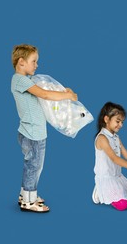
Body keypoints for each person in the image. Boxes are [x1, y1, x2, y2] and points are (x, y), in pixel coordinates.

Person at [11, 44, 78, 213]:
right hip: (33, 134)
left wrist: (64, 91)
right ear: (21, 62)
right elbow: (45, 94)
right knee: (34, 166)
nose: (36, 65)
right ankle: (29, 201)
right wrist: (68, 96)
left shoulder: (25, 80)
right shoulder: (20, 80)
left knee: (31, 166)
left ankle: (24, 194)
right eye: (33, 61)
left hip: (30, 132)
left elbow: (47, 90)